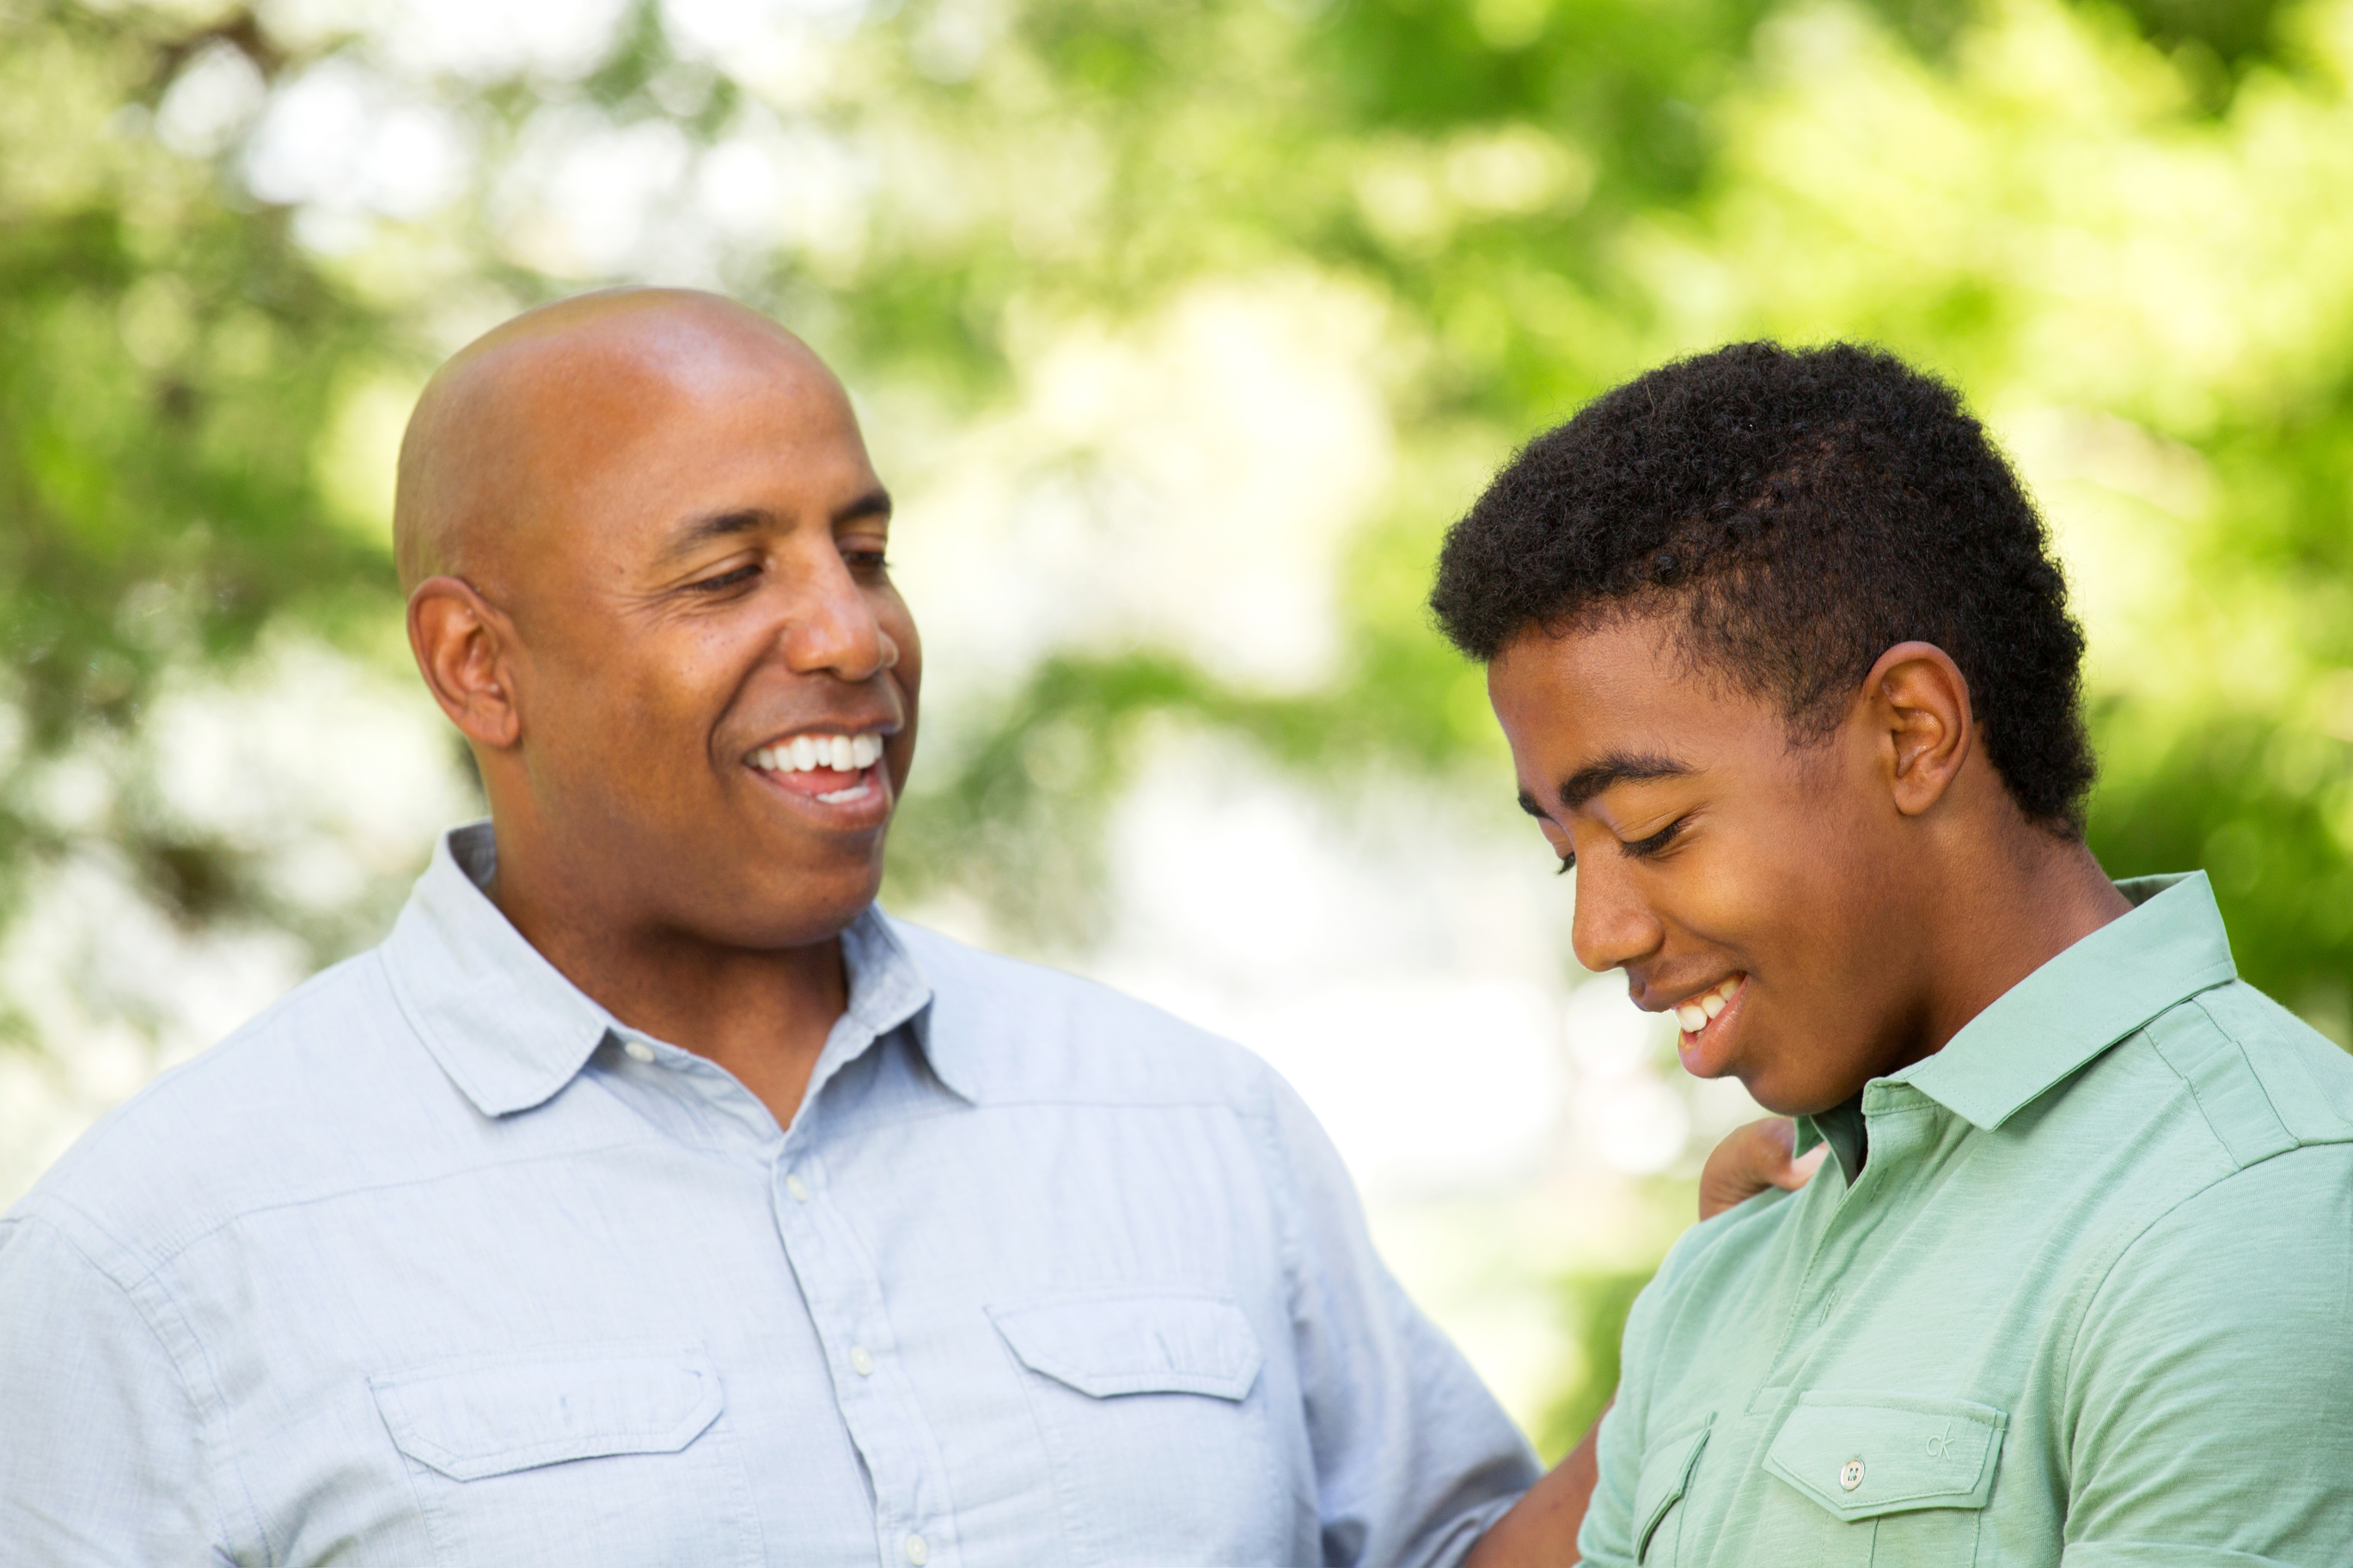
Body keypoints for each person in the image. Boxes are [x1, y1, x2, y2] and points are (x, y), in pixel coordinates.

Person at [0, 288, 1793, 1567]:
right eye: (730, 574)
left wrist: (1711, 1345)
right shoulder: (160, 1255)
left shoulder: (1190, 1126)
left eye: (863, 552)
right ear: (478, 663)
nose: (850, 634)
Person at [1435, 340, 2353, 1567]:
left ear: (1912, 734)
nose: (1598, 933)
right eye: (1567, 854)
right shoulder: (1724, 1272)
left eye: (1651, 831)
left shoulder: (2246, 1217)